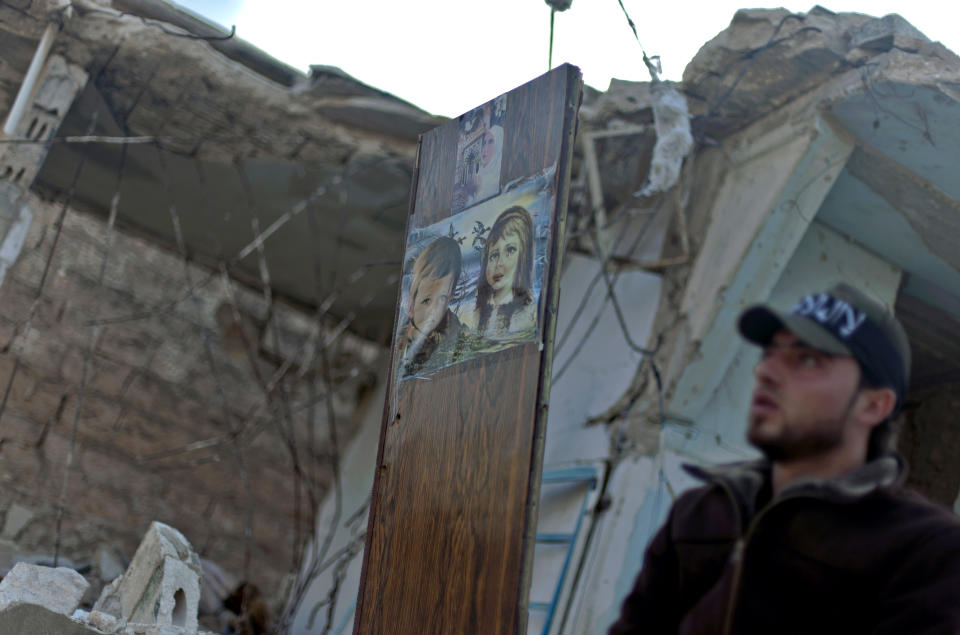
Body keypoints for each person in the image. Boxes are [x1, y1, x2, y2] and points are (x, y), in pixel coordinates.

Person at [609, 283, 960, 635]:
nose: (765, 372)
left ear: (873, 405)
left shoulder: (925, 551)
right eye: (769, 353)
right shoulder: (699, 514)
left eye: (807, 359)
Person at [461, 206, 537, 339]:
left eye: (510, 250)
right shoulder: (475, 315)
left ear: (523, 257)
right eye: (494, 255)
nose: (499, 263)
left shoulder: (529, 313)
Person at [397, 236, 464, 377]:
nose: (433, 311)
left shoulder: (457, 340)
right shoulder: (398, 343)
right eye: (426, 301)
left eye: (442, 298)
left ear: (451, 297)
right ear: (411, 304)